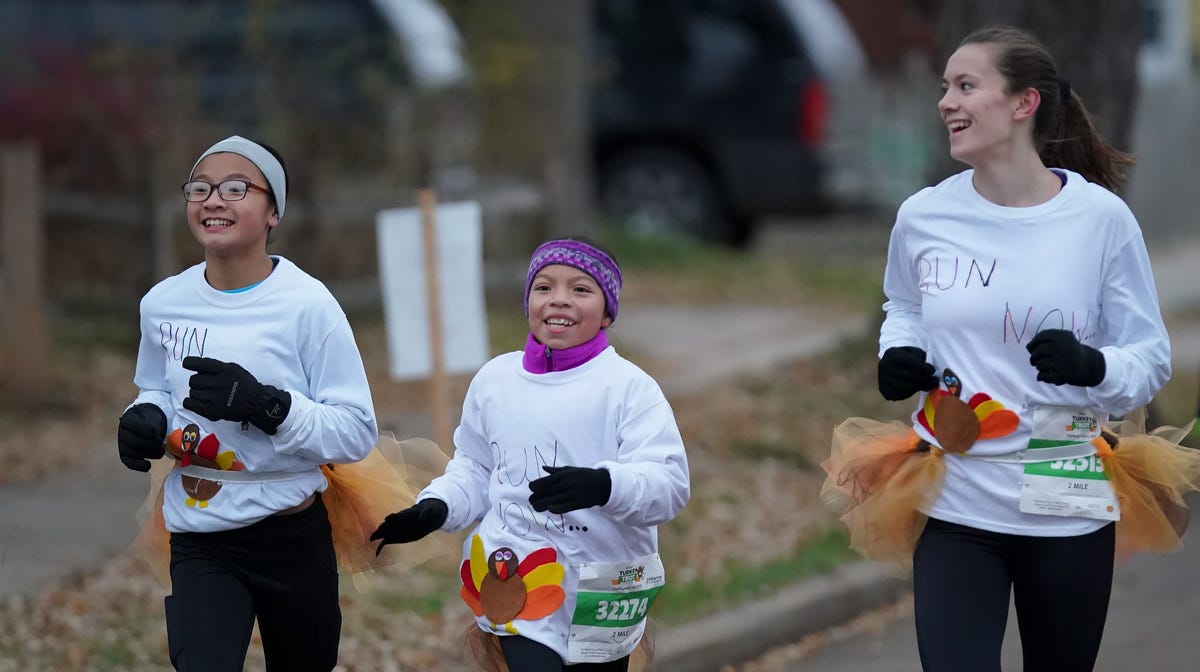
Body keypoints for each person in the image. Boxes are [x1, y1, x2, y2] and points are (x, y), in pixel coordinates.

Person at [821, 25, 1200, 672]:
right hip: (955, 496)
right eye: (945, 87)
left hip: (1065, 498)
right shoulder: (923, 216)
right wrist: (899, 354)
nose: (945, 101)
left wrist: (1095, 366)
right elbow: (904, 306)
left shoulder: (1100, 221)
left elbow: (1148, 355)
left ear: (1023, 104)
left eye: (966, 86)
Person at [116, 135, 379, 671]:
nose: (214, 200)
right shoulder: (162, 302)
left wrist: (267, 406)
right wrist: (142, 418)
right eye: (201, 187)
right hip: (199, 534)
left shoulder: (310, 306)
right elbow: (156, 390)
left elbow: (355, 431)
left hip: (292, 535)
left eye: (236, 188)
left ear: (273, 211)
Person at [370, 236, 691, 671]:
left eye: (580, 289)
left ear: (607, 310)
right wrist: (436, 507)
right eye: (544, 287)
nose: (559, 300)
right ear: (527, 303)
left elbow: (669, 485)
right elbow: (475, 468)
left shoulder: (629, 388)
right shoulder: (495, 381)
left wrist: (603, 484)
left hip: (603, 587)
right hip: (518, 576)